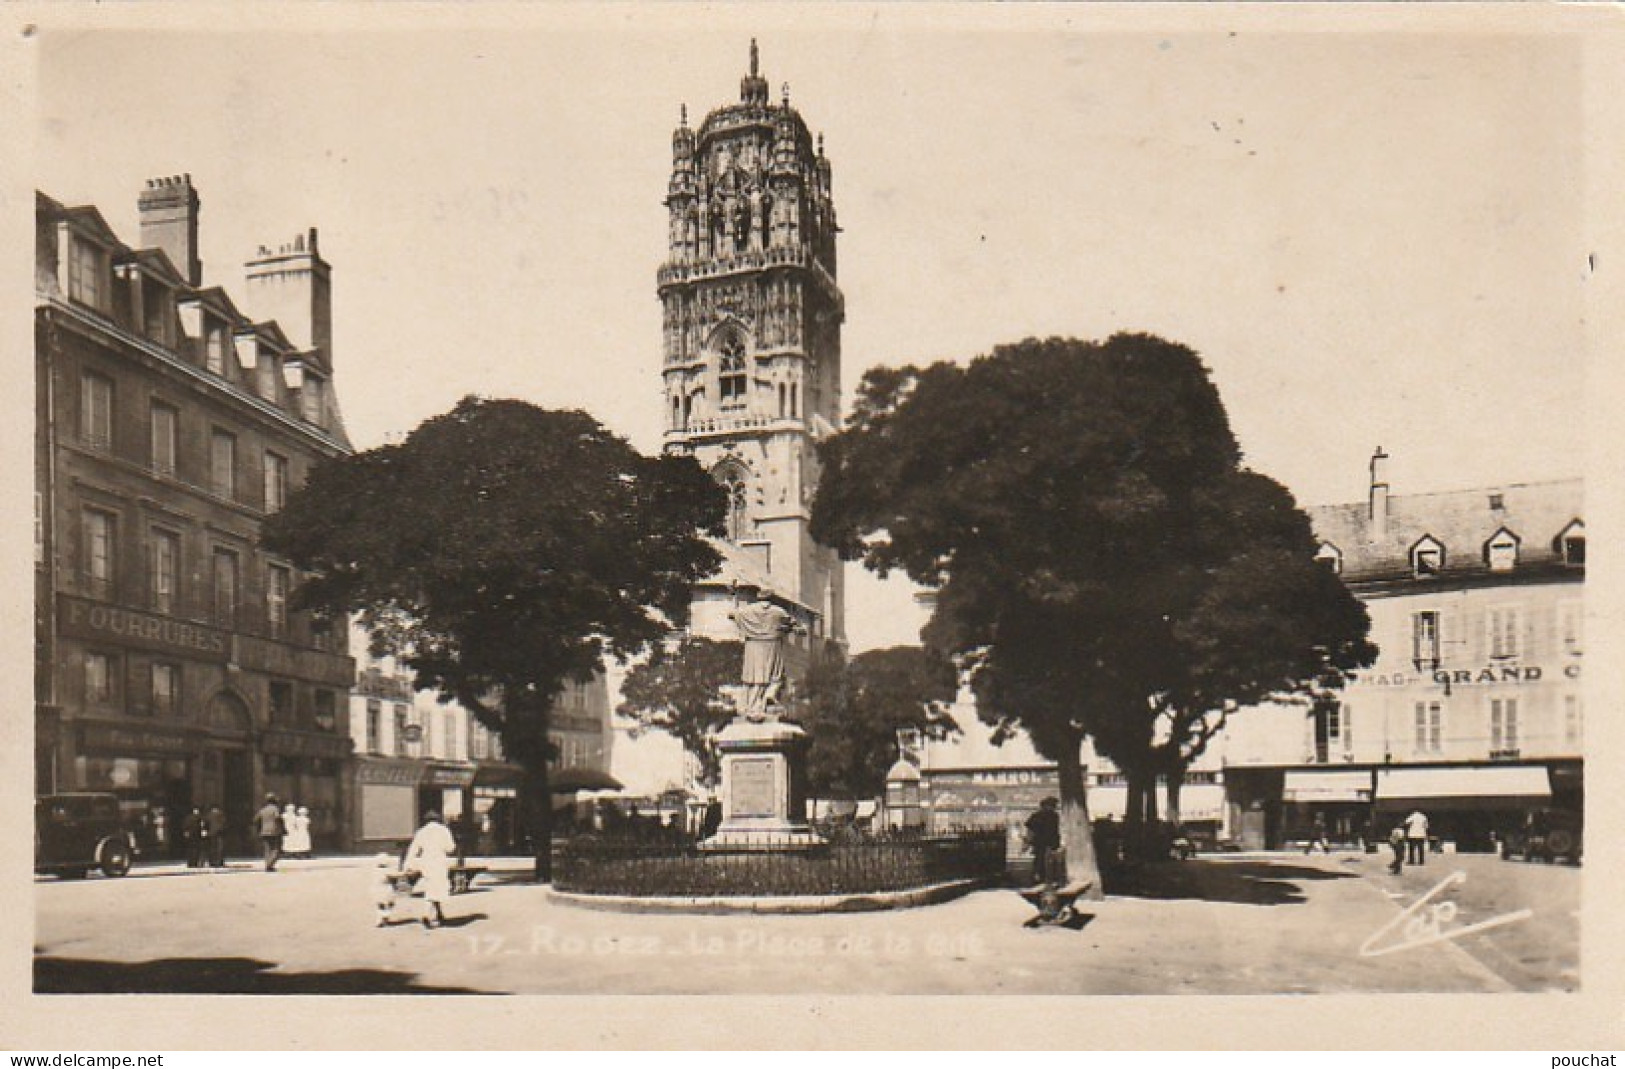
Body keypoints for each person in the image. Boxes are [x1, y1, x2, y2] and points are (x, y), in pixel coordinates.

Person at [404, 810, 457, 929]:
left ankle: (438, 914)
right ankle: (428, 915)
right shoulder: (444, 830)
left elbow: (413, 850)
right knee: (438, 889)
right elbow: (450, 848)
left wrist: (409, 865)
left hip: (426, 862)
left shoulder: (421, 832)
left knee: (431, 887)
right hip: (439, 862)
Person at [1025, 797, 1062, 886]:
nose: (1054, 807)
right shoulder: (1052, 816)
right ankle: (1042, 878)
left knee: (1041, 861)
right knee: (1043, 861)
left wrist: (1028, 841)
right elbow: (1031, 830)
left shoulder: (1040, 815)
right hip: (1045, 843)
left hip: (1043, 843)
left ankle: (1040, 878)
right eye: (1053, 805)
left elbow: (1030, 830)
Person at [254, 794, 284, 872]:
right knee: (277, 849)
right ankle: (269, 864)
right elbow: (278, 818)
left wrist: (259, 828)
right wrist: (283, 828)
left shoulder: (263, 810)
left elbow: (256, 819)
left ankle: (268, 865)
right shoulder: (275, 809)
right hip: (275, 831)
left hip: (264, 831)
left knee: (267, 849)